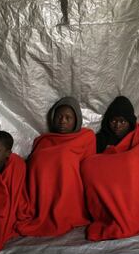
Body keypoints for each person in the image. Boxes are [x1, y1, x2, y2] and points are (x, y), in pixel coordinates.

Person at [81, 96, 139, 241]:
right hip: (110, 192)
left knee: (131, 164)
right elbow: (92, 165)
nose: (117, 125)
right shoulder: (100, 139)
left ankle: (130, 215)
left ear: (130, 122)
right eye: (114, 120)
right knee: (88, 166)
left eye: (122, 121)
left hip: (133, 192)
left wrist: (121, 163)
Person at [15, 97, 96, 237]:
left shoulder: (86, 137)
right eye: (59, 116)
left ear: (76, 120)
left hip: (70, 196)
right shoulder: (43, 140)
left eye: (68, 117)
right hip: (38, 198)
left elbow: (90, 169)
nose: (62, 121)